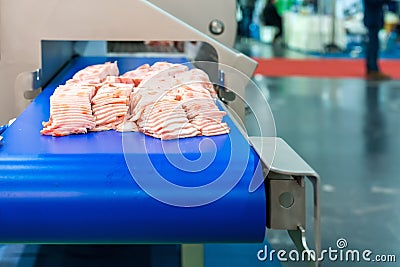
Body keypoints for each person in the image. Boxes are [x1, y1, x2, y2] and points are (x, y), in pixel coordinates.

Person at [363, 0, 391, 80]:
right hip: (372, 19)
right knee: (373, 45)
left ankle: (371, 68)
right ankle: (373, 69)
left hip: (373, 18)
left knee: (373, 44)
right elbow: (374, 2)